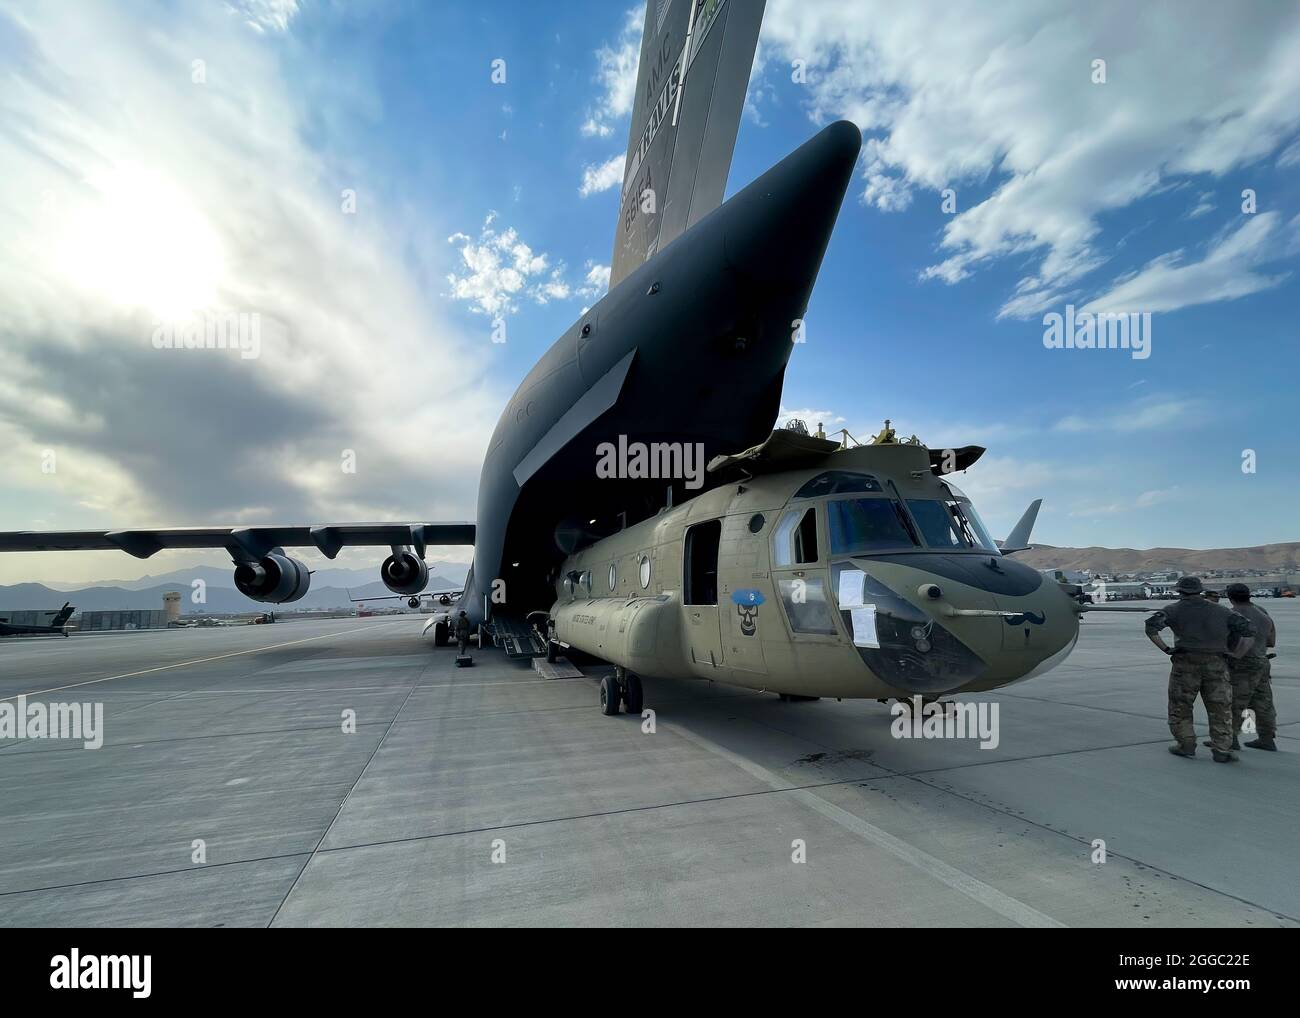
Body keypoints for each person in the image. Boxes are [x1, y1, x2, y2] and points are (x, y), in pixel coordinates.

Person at [1145, 575, 1254, 762]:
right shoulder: (1221, 610)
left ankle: (1185, 744)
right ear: (1200, 590)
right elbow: (1249, 630)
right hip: (1216, 663)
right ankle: (1222, 749)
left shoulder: (1172, 610)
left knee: (1181, 706)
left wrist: (1166, 649)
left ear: (1179, 591)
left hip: (1185, 662)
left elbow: (1151, 627)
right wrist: (1234, 651)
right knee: (1220, 707)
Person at [1219, 583, 1277, 751]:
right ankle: (1267, 737)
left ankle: (1231, 738)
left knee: (1235, 702)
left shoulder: (1232, 614)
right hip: (1262, 660)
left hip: (1241, 663)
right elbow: (1271, 641)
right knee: (1263, 702)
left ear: (1229, 597)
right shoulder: (1262, 612)